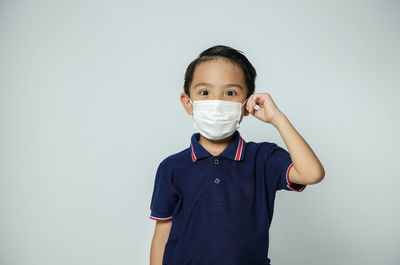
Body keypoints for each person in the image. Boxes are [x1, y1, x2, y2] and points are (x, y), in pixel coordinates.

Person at [149, 45, 325, 265]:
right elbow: (161, 237)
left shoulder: (264, 158)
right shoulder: (171, 167)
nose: (217, 103)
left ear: (246, 105)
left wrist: (277, 118)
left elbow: (312, 174)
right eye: (205, 92)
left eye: (230, 93)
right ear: (188, 103)